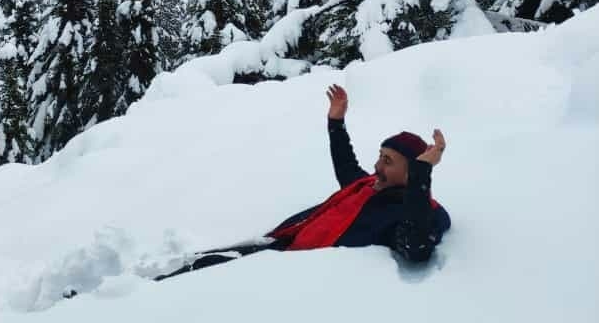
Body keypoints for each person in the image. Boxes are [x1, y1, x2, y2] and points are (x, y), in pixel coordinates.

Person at [156, 84, 450, 280]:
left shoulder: (420, 213)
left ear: (411, 172)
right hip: (280, 243)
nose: (377, 165)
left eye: (387, 161)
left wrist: (422, 174)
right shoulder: (367, 186)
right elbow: (346, 166)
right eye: (379, 156)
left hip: (291, 272)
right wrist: (336, 123)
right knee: (196, 266)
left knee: (202, 279)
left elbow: (416, 247)